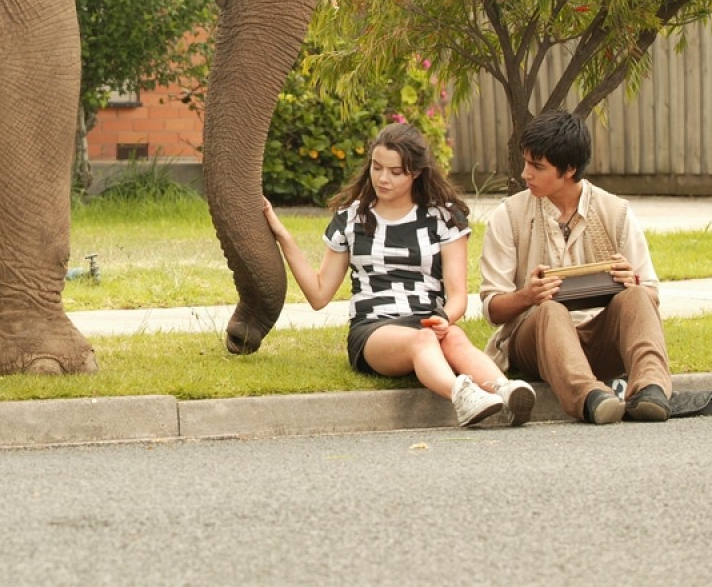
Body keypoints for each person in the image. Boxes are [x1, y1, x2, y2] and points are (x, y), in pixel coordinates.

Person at [264, 122, 535, 427]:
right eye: (377, 168)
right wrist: (282, 235)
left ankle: (506, 392)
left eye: (395, 172)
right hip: (375, 329)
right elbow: (318, 294)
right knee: (422, 341)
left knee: (454, 337)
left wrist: (445, 318)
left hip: (427, 318)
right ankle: (463, 397)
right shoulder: (351, 218)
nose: (383, 178)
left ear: (416, 172)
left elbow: (458, 294)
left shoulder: (443, 217)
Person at [478, 109, 672, 425]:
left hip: (599, 337)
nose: (525, 173)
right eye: (526, 162)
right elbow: (491, 310)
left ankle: (650, 391)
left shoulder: (616, 212)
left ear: (569, 170)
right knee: (551, 310)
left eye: (537, 167)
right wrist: (529, 296)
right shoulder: (509, 216)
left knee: (637, 297)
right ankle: (591, 399)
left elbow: (651, 296)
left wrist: (631, 283)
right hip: (536, 340)